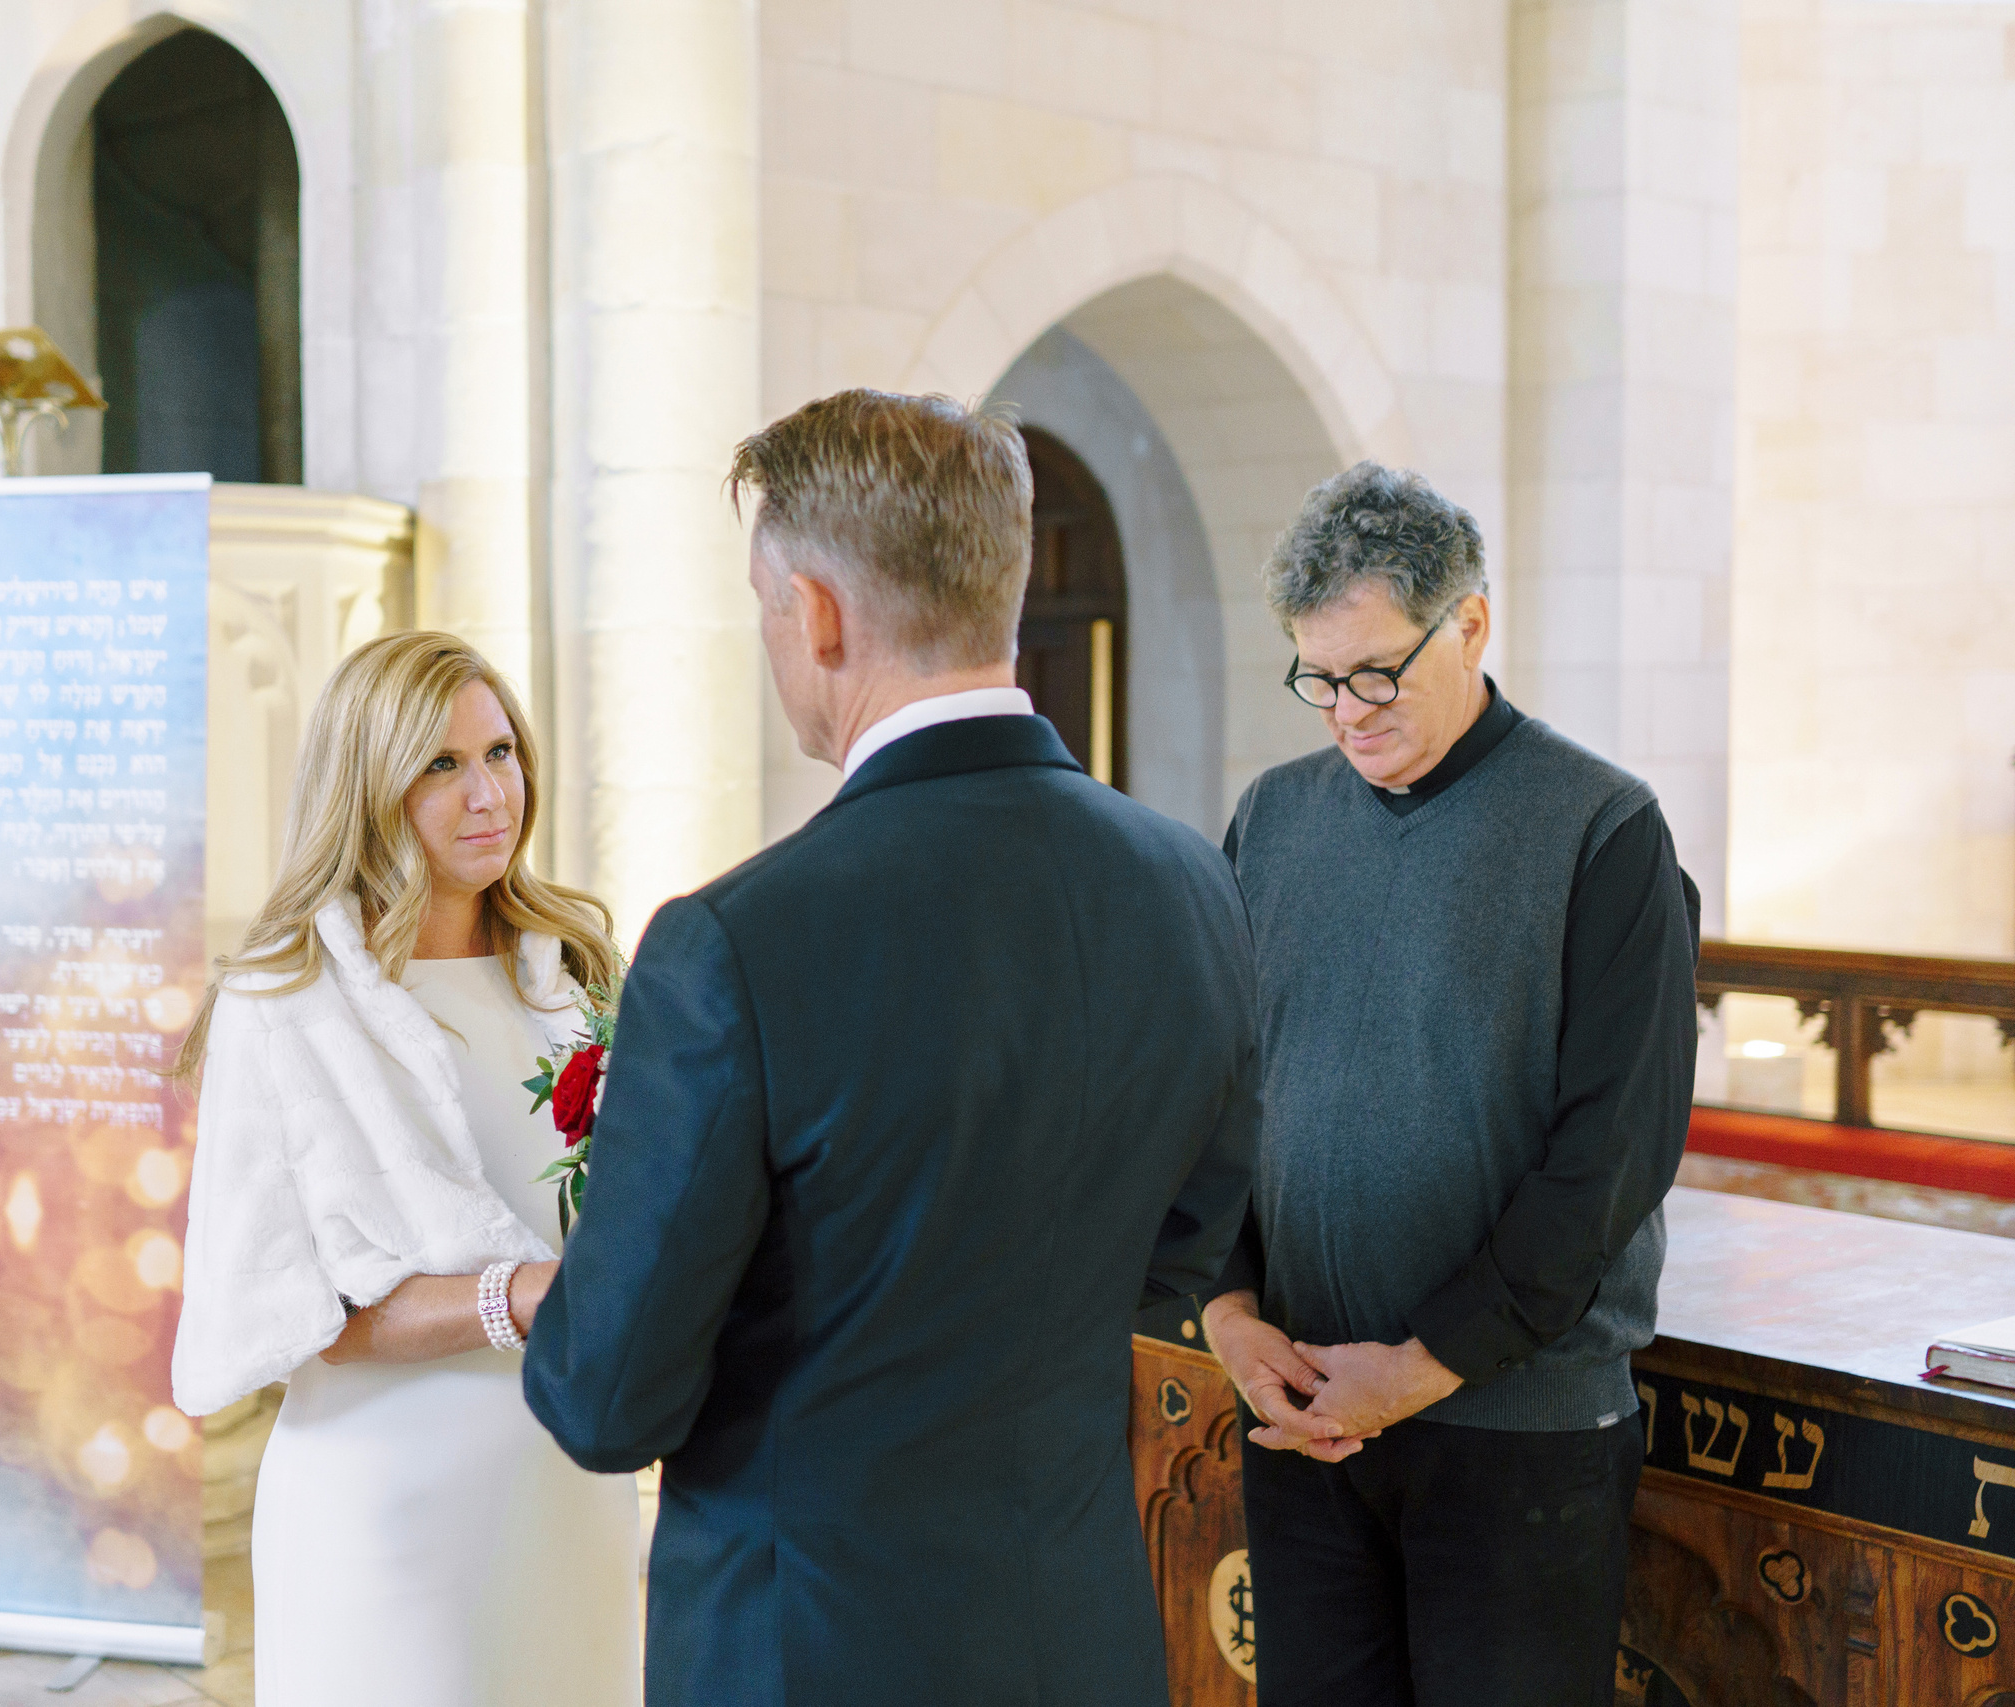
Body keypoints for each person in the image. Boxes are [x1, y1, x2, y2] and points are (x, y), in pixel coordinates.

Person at [521, 390, 1263, 1705]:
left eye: (764, 608)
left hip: (811, 1648)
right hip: (1078, 1633)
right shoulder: (1190, 884)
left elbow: (607, 1396)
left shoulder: (735, 942)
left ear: (816, 613)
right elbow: (1181, 1250)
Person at [1200, 462, 1698, 1704]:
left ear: (1468, 624)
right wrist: (1228, 1308)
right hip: (1307, 1416)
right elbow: (1218, 1091)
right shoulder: (1273, 817)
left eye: (1376, 672)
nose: (1346, 713)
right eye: (1317, 678)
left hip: (1516, 1435)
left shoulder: (1600, 827)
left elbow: (1612, 1157)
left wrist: (1423, 1363)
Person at [169, 632, 640, 1707]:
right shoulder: (283, 1002)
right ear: (368, 787)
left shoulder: (575, 969)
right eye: (441, 765)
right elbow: (296, 1312)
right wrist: (530, 1293)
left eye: (500, 752)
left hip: (570, 1489)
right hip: (384, 1509)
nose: (489, 794)